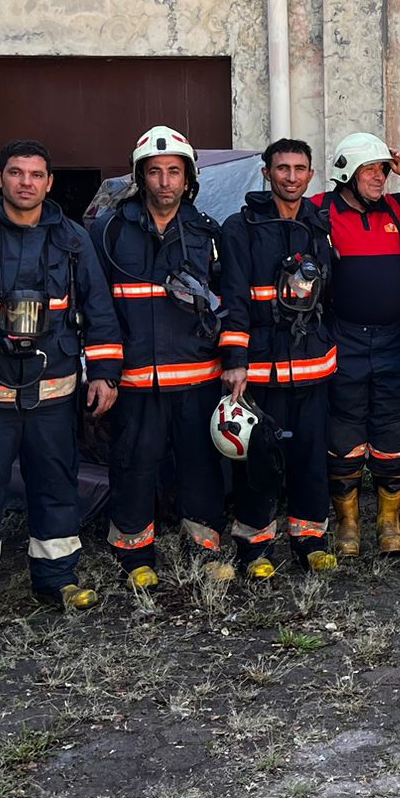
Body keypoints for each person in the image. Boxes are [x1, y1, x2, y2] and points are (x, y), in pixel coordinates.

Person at [0, 139, 121, 624]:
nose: (26, 183)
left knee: (56, 488)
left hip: (53, 395)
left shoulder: (74, 240)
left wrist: (106, 375)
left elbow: (98, 311)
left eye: (36, 174)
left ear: (50, 182)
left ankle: (57, 580)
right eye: (16, 173)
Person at [92, 125, 228, 587]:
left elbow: (225, 304)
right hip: (135, 380)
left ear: (188, 178)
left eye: (174, 172)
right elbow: (97, 308)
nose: (165, 182)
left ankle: (205, 547)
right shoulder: (109, 231)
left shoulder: (207, 232)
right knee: (132, 465)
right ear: (140, 176)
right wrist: (104, 373)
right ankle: (134, 555)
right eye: (155, 172)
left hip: (197, 378)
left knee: (201, 465)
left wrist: (230, 361)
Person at [312, 134, 400, 557]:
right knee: (343, 428)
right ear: (346, 174)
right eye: (371, 170)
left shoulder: (399, 207)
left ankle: (389, 521)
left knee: (395, 424)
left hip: (393, 338)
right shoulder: (318, 210)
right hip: (342, 336)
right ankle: (348, 525)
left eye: (383, 169)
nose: (380, 177)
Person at [218, 139, 339, 574]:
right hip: (261, 367)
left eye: (300, 168)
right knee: (259, 459)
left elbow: (331, 291)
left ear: (311, 175)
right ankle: (255, 547)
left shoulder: (317, 225)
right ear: (267, 173)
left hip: (312, 365)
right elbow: (232, 298)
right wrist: (235, 358)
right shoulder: (240, 226)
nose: (291, 176)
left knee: (310, 455)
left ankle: (310, 540)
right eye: (282, 168)